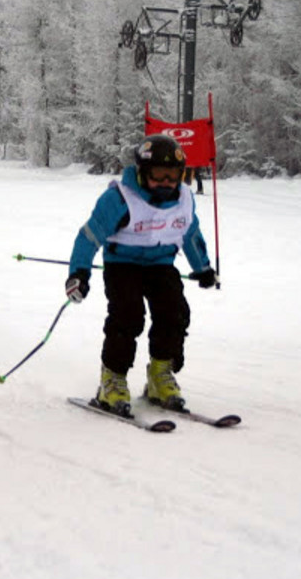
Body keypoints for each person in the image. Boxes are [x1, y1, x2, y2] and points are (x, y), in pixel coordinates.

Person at [65, 135, 219, 417]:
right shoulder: (120, 199)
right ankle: (112, 381)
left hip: (160, 264)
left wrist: (203, 268)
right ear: (142, 172)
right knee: (128, 316)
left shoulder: (183, 200)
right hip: (122, 265)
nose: (166, 182)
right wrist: (79, 273)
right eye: (159, 175)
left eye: (174, 175)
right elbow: (89, 236)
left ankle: (160, 375)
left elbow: (190, 233)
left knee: (174, 313)